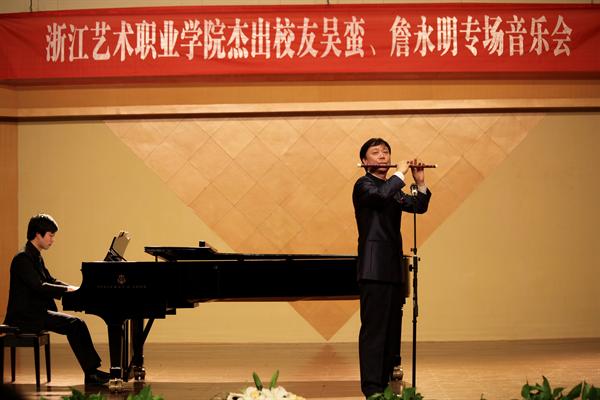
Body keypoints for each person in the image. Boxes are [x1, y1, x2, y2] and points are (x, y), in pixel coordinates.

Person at [352, 138, 431, 398]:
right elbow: (379, 196)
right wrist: (399, 173)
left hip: (393, 267)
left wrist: (420, 181)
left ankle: (386, 383)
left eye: (386, 152)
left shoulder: (392, 188)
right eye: (376, 153)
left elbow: (418, 206)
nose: (383, 156)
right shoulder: (364, 185)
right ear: (364, 161)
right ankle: (372, 389)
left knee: (390, 331)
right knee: (374, 331)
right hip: (373, 268)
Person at [3, 214, 110, 385]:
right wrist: (67, 290)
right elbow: (39, 286)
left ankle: (91, 372)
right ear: (38, 234)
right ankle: (91, 374)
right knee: (76, 324)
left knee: (77, 324)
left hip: (35, 313)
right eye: (50, 235)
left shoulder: (35, 256)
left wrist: (74, 288)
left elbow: (50, 280)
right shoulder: (22, 258)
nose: (52, 240)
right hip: (24, 317)